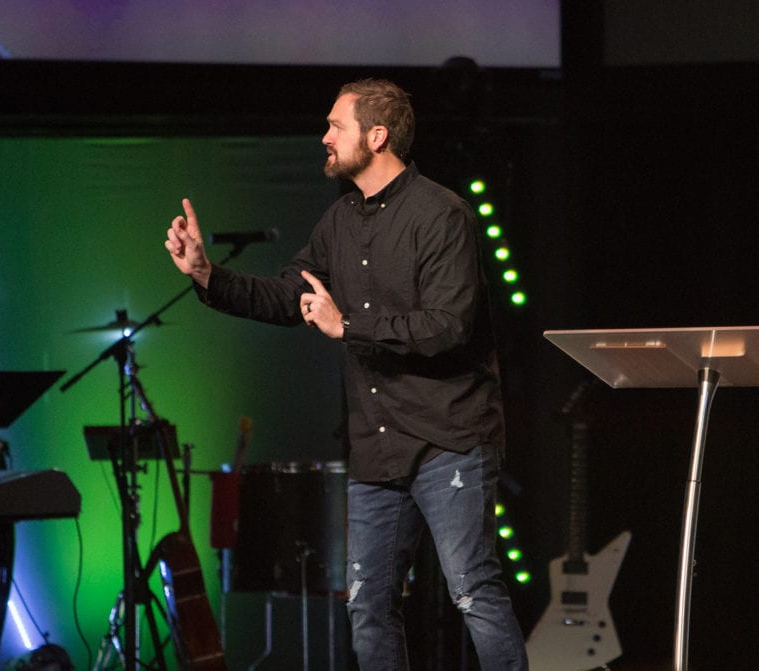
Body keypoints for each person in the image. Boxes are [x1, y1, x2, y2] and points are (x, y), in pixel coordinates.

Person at [164, 77, 528, 671]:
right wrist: (207, 275)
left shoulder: (442, 214)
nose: (325, 137)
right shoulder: (338, 222)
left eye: (336, 125)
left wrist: (349, 325)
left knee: (472, 589)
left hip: (449, 439)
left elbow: (447, 327)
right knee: (368, 604)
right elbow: (289, 296)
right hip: (377, 446)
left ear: (376, 136)